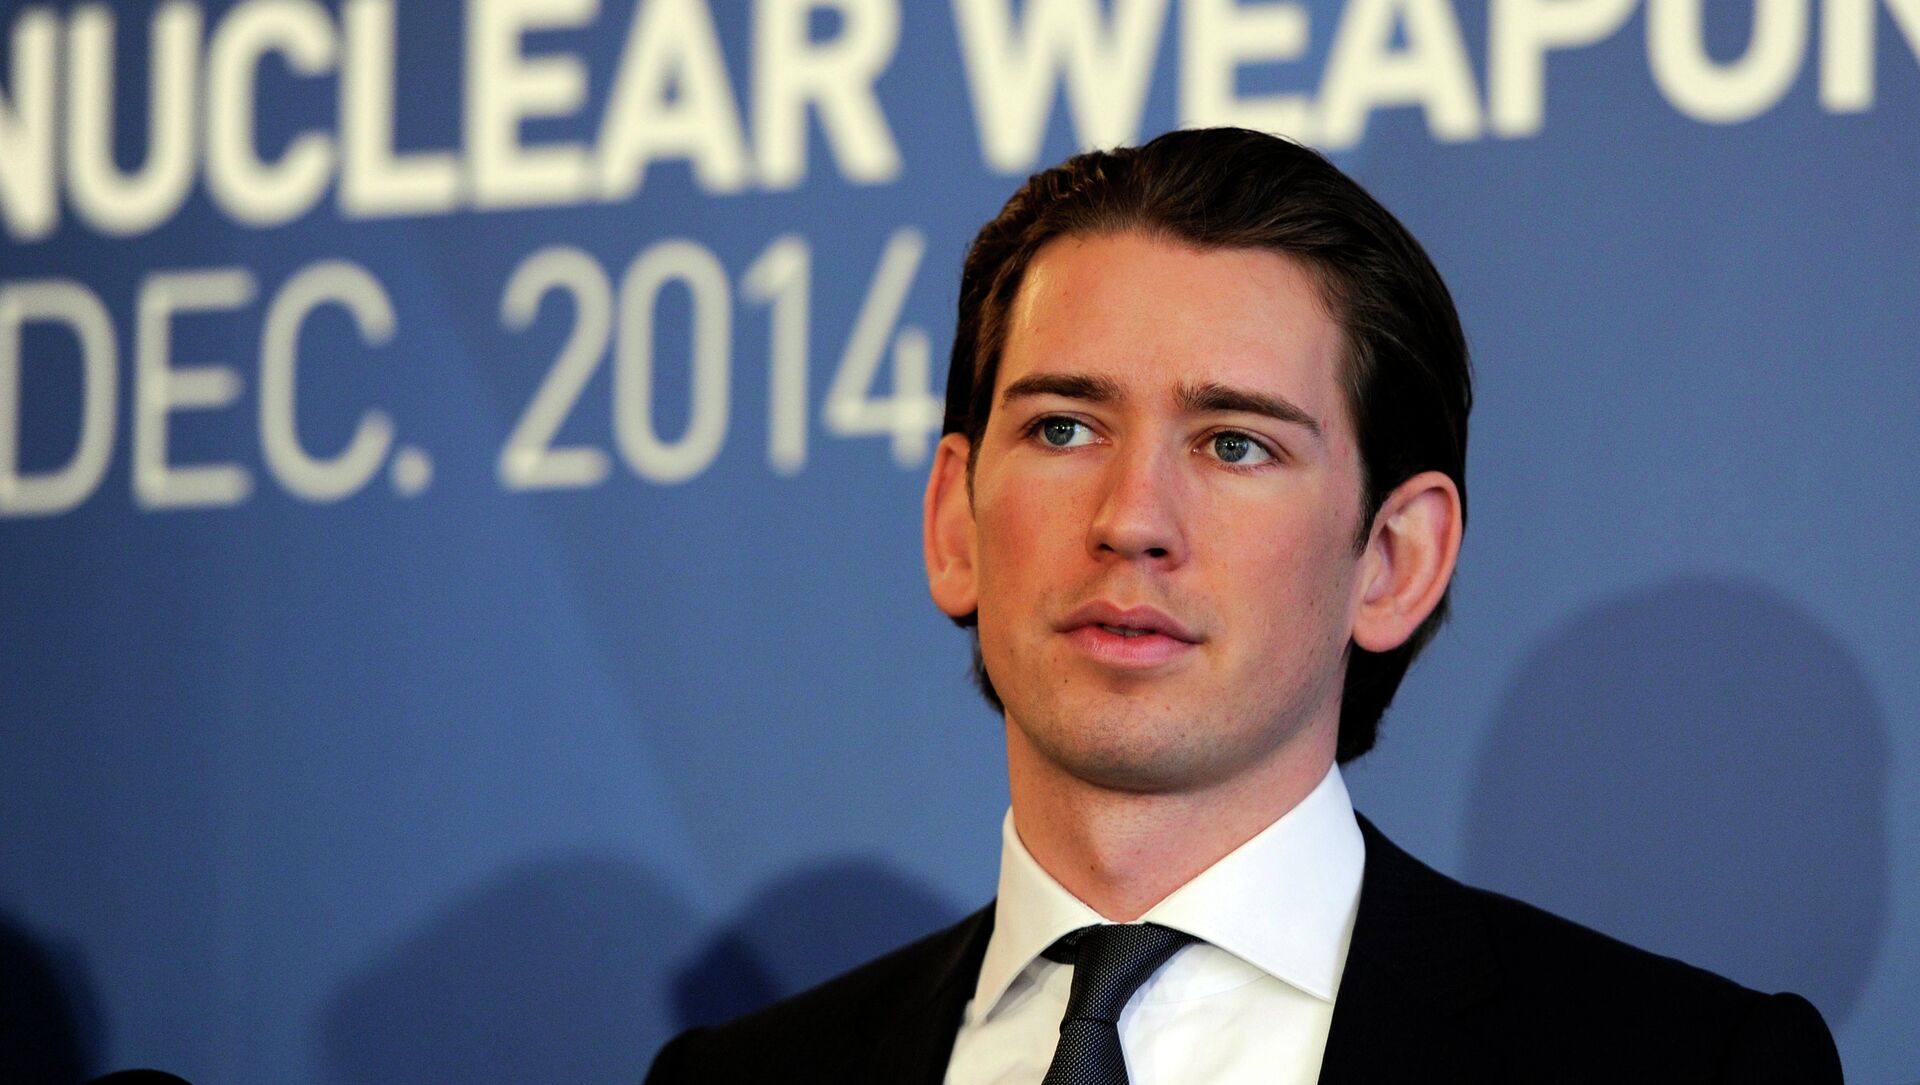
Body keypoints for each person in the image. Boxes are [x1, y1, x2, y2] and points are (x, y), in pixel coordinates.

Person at [643, 128, 1842, 1084]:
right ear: (955, 520)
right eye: (1063, 427)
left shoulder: (1684, 1063)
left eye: (1234, 443)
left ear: (1393, 559)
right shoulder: (736, 1077)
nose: (1132, 518)